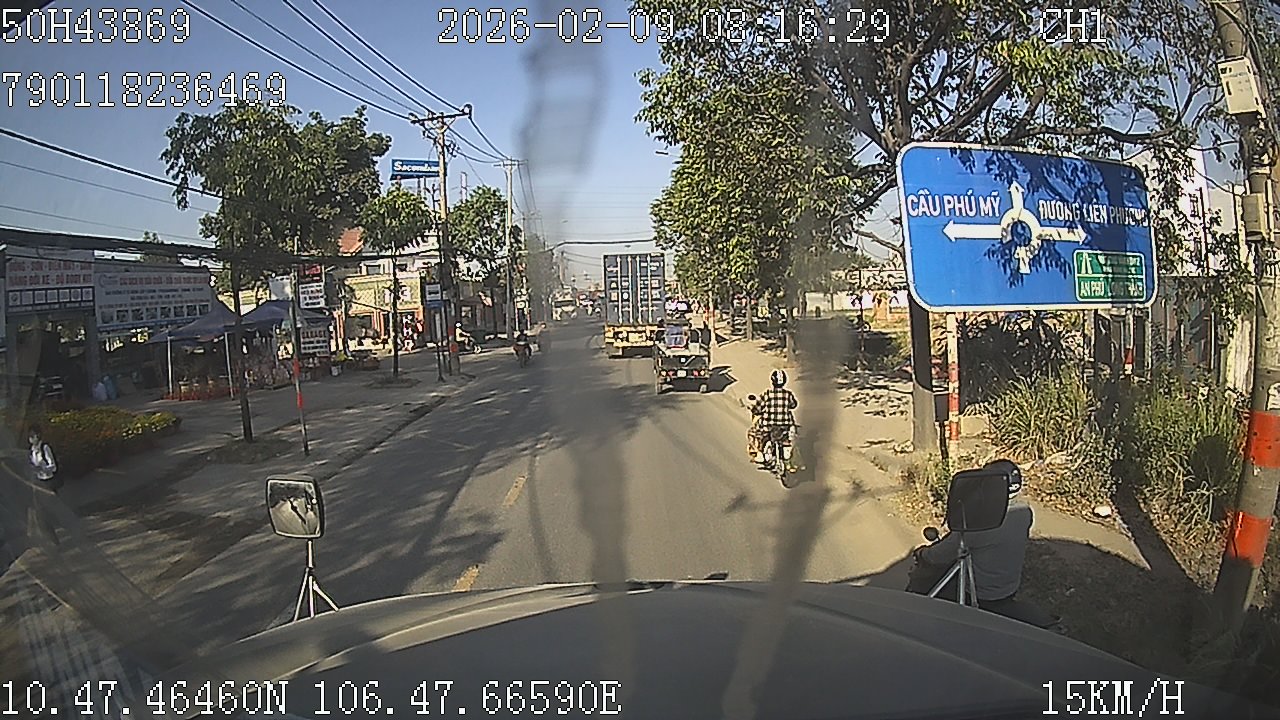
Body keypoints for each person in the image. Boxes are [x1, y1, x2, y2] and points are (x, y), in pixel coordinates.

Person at [909, 459, 1034, 604]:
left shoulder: (982, 521)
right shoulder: (1025, 511)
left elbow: (941, 554)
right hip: (1009, 588)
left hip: (979, 592)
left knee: (925, 589)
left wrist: (923, 553)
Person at [749, 370, 798, 464]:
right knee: (788, 437)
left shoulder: (767, 394)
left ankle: (759, 454)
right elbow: (794, 405)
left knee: (754, 433)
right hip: (785, 425)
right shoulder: (788, 394)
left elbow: (757, 408)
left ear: (772, 380)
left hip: (768, 425)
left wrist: (755, 410)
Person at [28, 424, 59, 492]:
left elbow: (53, 466)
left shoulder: (45, 448)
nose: (30, 439)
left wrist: (43, 469)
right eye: (29, 436)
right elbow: (32, 464)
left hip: (48, 481)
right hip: (38, 481)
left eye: (32, 436)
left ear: (38, 436)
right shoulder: (32, 450)